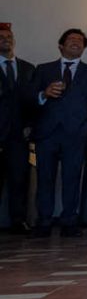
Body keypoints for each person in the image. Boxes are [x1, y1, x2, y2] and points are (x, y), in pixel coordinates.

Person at [30, 29, 87, 238]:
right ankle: (43, 221)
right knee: (45, 179)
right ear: (61, 45)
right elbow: (29, 99)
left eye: (80, 41)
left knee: (72, 179)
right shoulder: (43, 70)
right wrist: (44, 94)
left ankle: (69, 221)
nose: (76, 43)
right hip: (47, 132)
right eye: (71, 40)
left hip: (76, 133)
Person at [0, 23, 36, 234]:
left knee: (19, 180)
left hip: (19, 136)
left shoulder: (28, 68)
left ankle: (18, 221)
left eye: (9, 36)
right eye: (1, 36)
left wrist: (30, 126)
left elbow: (34, 102)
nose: (6, 39)